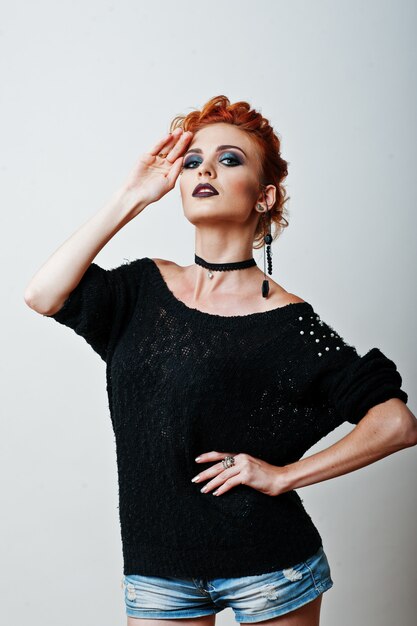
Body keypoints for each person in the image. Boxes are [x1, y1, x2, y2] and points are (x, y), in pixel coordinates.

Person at [24, 95, 416, 626]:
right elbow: (43, 295)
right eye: (192, 161)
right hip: (157, 569)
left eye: (230, 159)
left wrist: (283, 477)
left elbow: (395, 422)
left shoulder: (289, 321)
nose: (205, 168)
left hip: (271, 570)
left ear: (264, 195)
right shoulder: (141, 289)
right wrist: (133, 195)